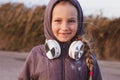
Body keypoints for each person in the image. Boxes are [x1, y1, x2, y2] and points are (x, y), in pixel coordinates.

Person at [19, 0, 102, 80]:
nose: (64, 28)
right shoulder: (36, 55)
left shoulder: (87, 57)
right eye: (58, 21)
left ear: (79, 23)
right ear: (49, 23)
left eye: (71, 21)